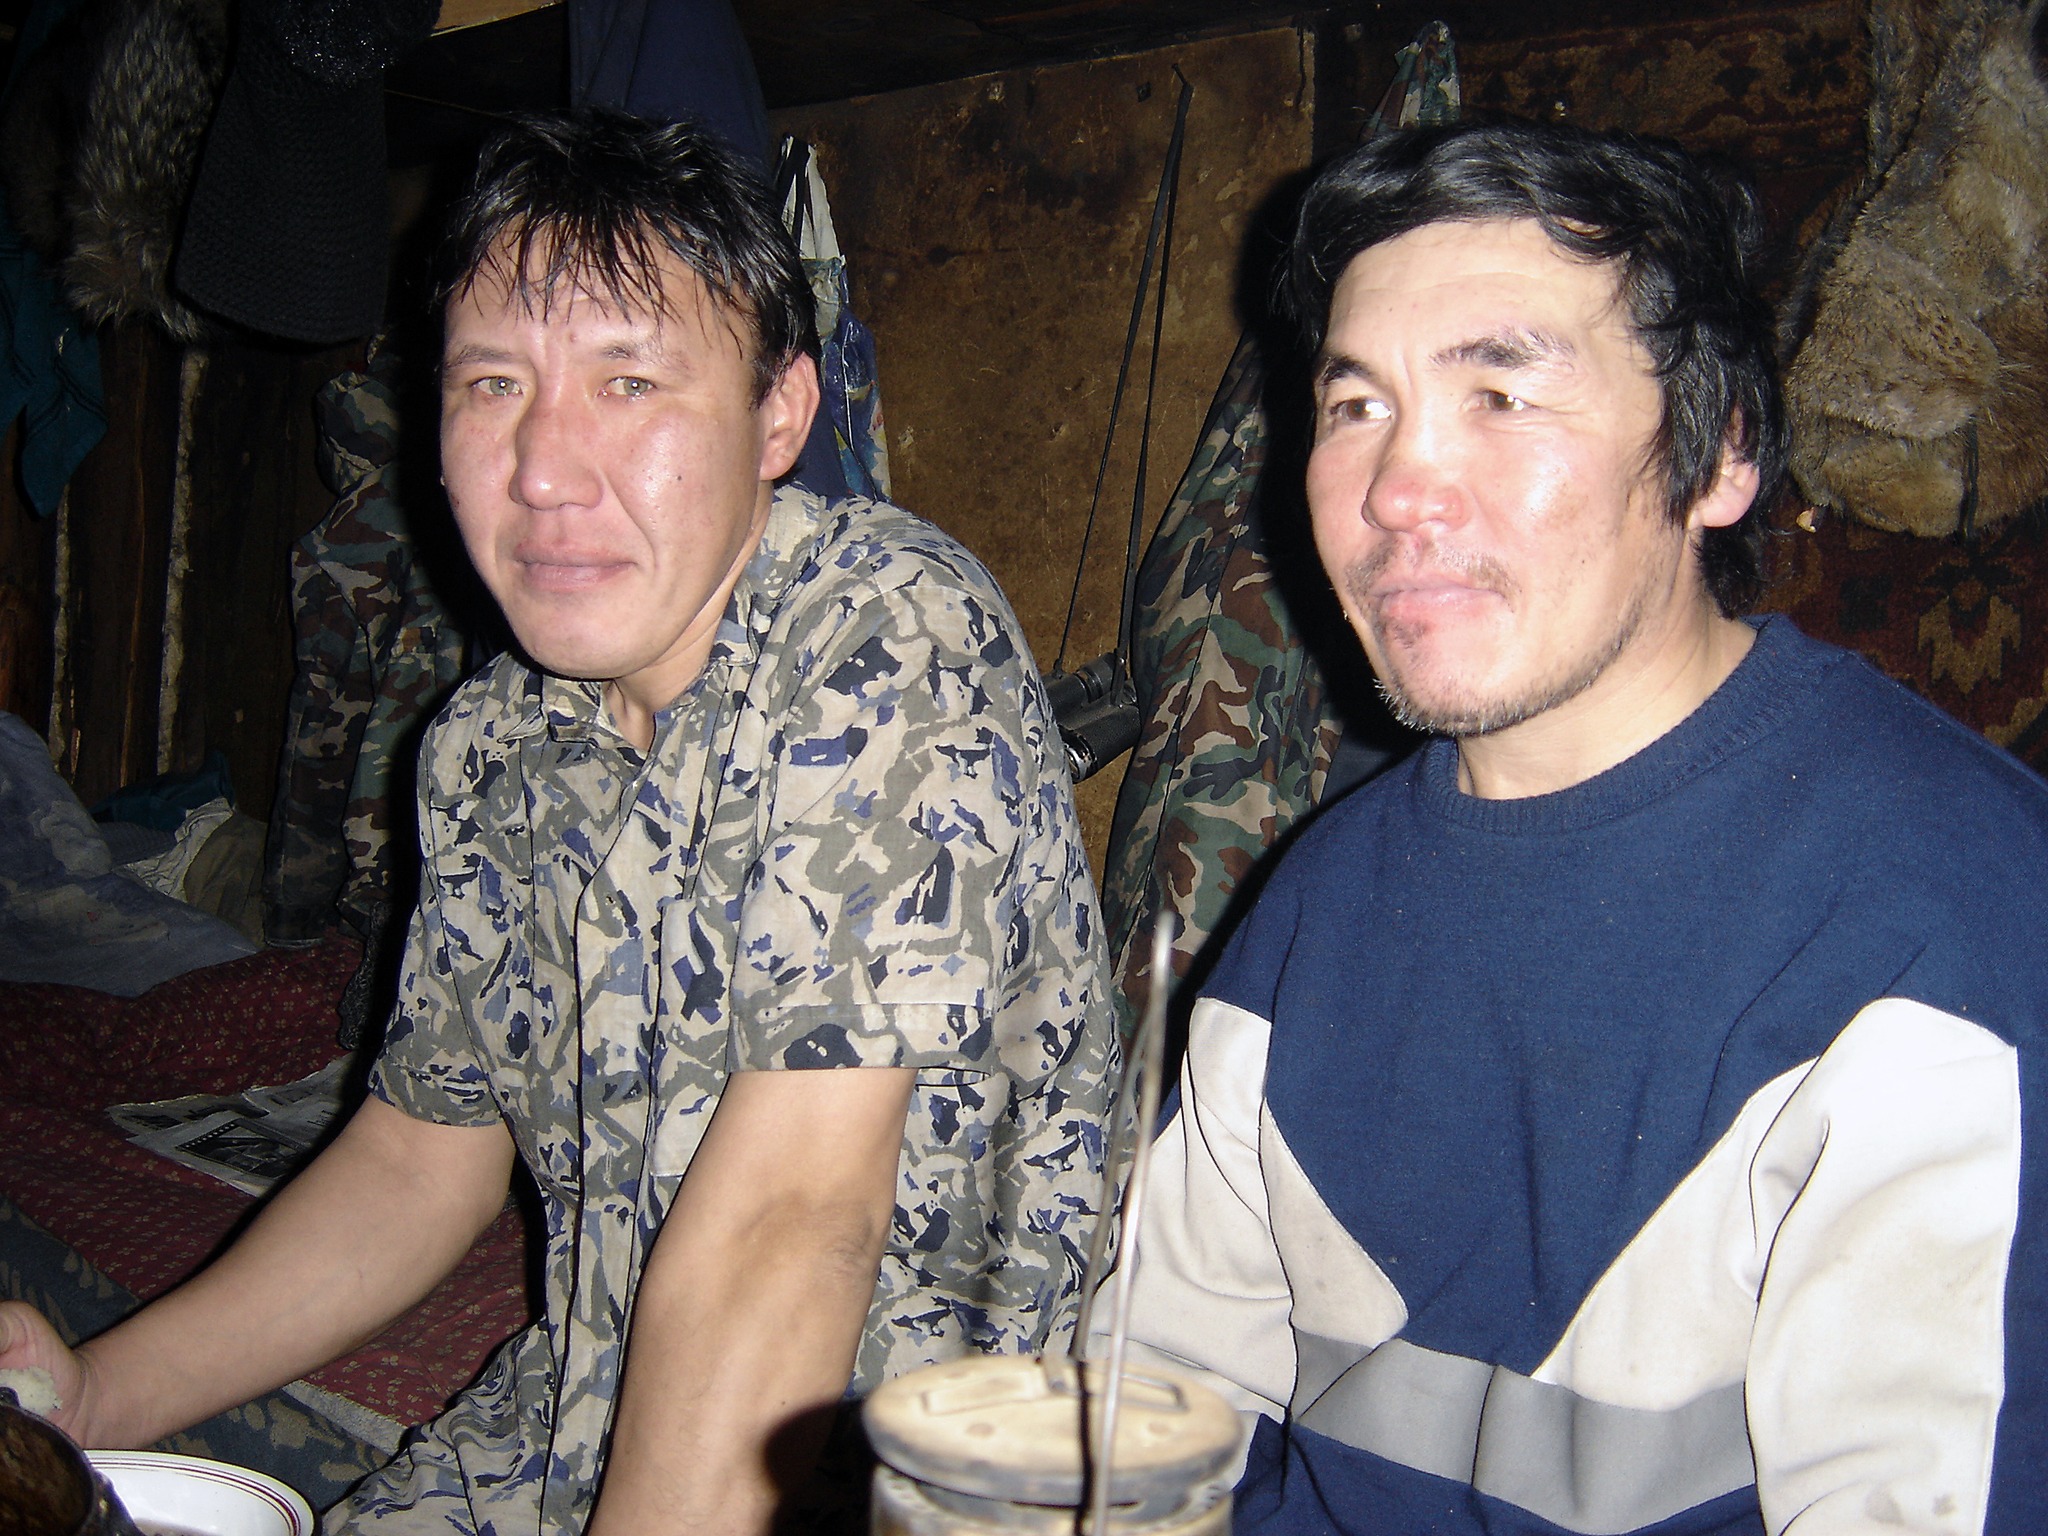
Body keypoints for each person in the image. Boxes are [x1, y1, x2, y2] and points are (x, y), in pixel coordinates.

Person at [0, 110, 1117, 1534]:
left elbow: (792, 1224)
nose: (543, 468)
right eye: (492, 384)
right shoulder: (489, 745)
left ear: (780, 415)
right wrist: (95, 1395)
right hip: (577, 1413)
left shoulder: (888, 638)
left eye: (630, 381)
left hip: (907, 1469)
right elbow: (421, 1157)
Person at [1112, 119, 2048, 1535]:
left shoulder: (1952, 921)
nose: (1395, 489)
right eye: (1355, 405)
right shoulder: (1317, 901)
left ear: (1717, 454)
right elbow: (1151, 1421)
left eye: (1500, 393)